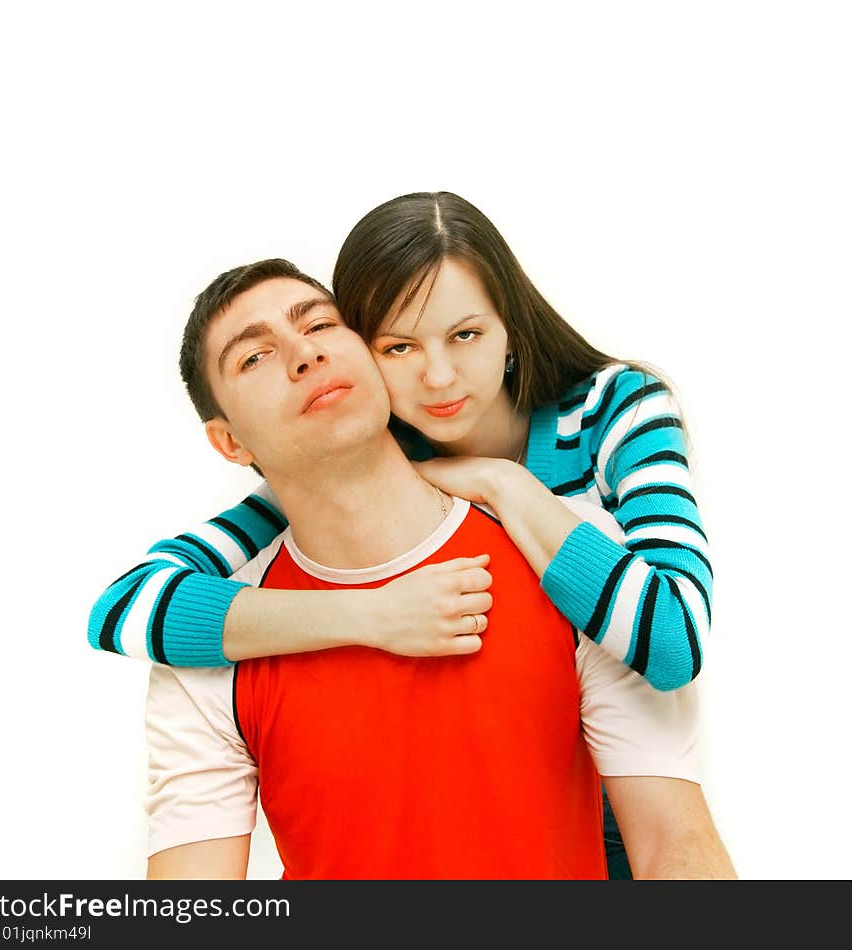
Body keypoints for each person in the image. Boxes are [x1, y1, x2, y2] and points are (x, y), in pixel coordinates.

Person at [90, 192, 714, 878]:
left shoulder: (608, 437)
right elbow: (127, 604)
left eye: (467, 335)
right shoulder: (359, 453)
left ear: (511, 326)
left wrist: (505, 485)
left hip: (599, 780)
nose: (439, 376)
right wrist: (373, 614)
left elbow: (673, 637)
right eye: (400, 346)